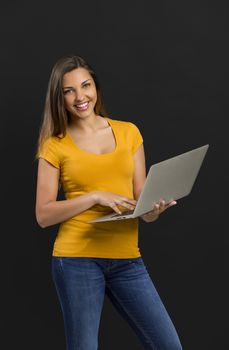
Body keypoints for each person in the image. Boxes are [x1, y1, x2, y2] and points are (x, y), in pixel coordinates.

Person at [35, 54, 183, 350]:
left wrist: (154, 210)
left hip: (128, 259)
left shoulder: (129, 133)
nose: (80, 97)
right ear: (59, 98)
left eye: (86, 85)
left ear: (96, 88)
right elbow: (43, 215)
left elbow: (141, 206)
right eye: (69, 91)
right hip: (76, 260)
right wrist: (94, 196)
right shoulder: (54, 144)